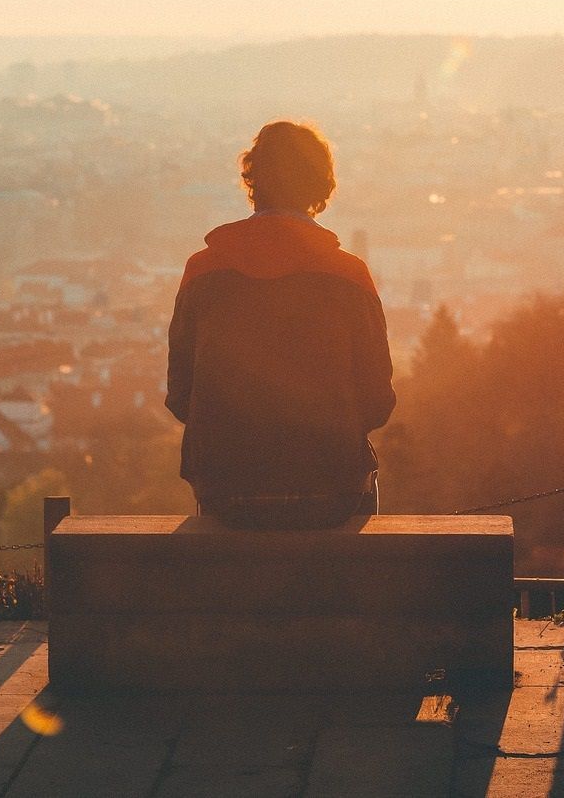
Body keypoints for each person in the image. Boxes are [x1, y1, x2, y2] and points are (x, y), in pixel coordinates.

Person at [165, 120, 395, 529]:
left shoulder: (202, 271)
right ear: (320, 187)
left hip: (227, 492)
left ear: (253, 182)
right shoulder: (349, 275)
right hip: (330, 491)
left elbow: (181, 393)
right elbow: (377, 399)